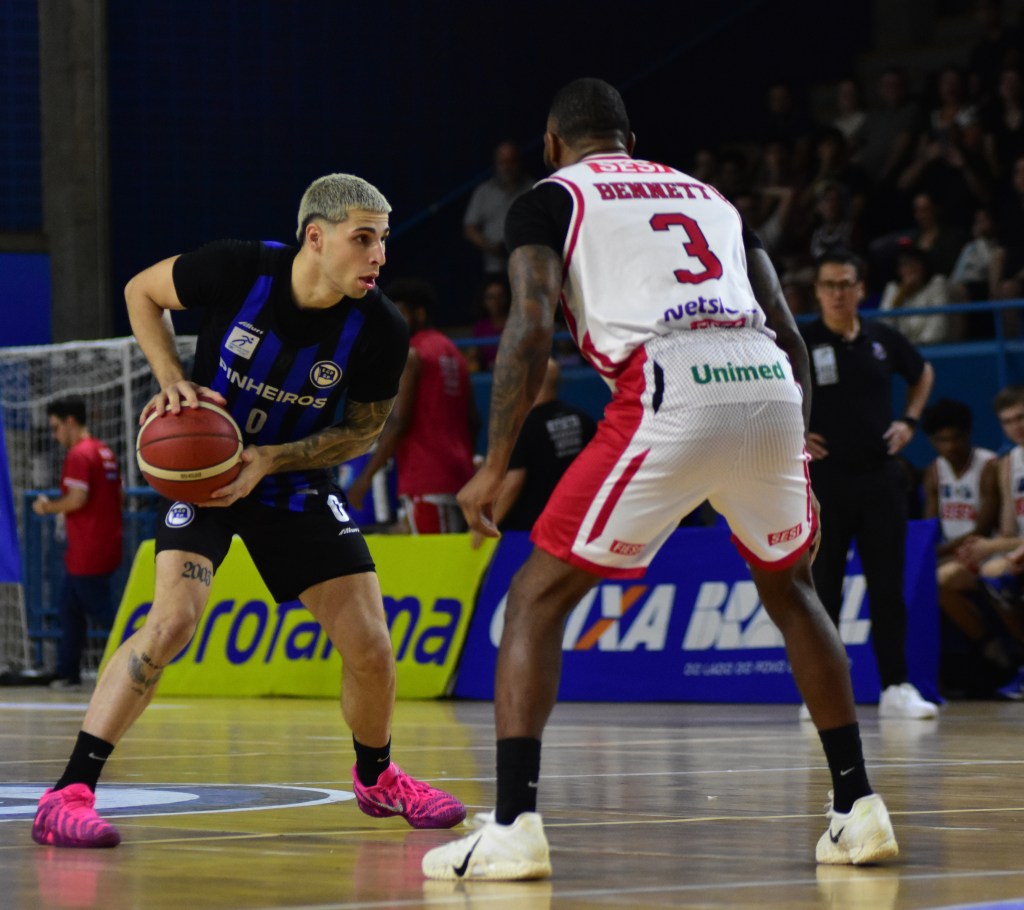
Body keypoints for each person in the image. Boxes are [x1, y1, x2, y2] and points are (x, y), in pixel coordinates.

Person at [422, 78, 899, 882]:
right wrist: (794, 448)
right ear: (631, 142)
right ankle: (858, 807)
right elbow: (789, 332)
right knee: (793, 589)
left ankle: (512, 828)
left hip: (670, 380)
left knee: (533, 598)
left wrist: (494, 463)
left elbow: (530, 324)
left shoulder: (550, 199)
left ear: (552, 144)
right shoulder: (711, 198)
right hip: (769, 382)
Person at [31, 173, 466, 849]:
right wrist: (172, 382)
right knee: (171, 622)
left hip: (290, 479)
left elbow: (362, 432)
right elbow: (141, 291)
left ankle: (378, 778)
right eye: (363, 239)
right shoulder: (240, 269)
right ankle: (68, 793)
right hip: (203, 474)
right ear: (316, 237)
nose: (379, 255)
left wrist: (272, 459)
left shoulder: (379, 326)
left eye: (383, 240)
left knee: (372, 646)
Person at [802, 250, 938, 720]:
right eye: (829, 285)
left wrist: (909, 421)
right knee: (825, 588)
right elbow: (770, 389)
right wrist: (796, 431)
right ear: (817, 291)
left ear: (861, 289)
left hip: (881, 479)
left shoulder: (882, 338)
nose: (838, 293)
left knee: (887, 587)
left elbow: (922, 373)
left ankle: (896, 687)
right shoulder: (801, 342)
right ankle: (822, 695)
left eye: (846, 284)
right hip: (826, 481)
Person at [347, 277, 478, 534]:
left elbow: (399, 422)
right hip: (460, 476)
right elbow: (474, 420)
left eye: (399, 313)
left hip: (426, 480)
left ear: (419, 313)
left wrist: (364, 479)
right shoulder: (454, 352)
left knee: (436, 559)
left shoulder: (412, 353)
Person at [31, 398, 123, 690]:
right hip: (105, 542)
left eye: (56, 427)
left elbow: (77, 499)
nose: (54, 435)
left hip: (89, 548)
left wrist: (46, 507)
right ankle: (67, 672)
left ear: (70, 421)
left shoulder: (79, 454)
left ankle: (142, 660)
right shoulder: (104, 451)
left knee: (105, 614)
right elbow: (118, 496)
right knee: (69, 608)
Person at [920, 398, 1009, 679]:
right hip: (952, 553)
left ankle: (994, 650)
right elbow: (929, 525)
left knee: (938, 579)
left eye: (956, 438)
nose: (951, 446)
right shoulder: (934, 471)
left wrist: (938, 552)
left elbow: (983, 528)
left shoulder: (989, 465)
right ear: (932, 441)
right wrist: (929, 552)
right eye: (942, 440)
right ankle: (947, 666)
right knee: (918, 579)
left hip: (986, 550)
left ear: (968, 434)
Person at [493, 358, 596, 533]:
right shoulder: (583, 420)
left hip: (530, 530)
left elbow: (513, 482)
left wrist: (488, 523)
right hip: (576, 524)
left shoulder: (520, 427)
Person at [463, 141, 533, 280]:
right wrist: (491, 247)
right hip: (494, 269)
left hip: (527, 267)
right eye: (503, 162)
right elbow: (469, 228)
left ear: (519, 162)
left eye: (511, 161)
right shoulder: (484, 191)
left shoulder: (533, 189)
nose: (507, 167)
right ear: (496, 163)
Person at [878, 244, 953, 345]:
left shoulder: (937, 283)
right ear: (899, 270)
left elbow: (938, 322)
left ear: (923, 266)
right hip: (901, 347)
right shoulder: (893, 288)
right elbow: (884, 324)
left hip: (930, 346)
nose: (911, 268)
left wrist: (923, 344)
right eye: (905, 264)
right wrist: (901, 294)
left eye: (915, 263)